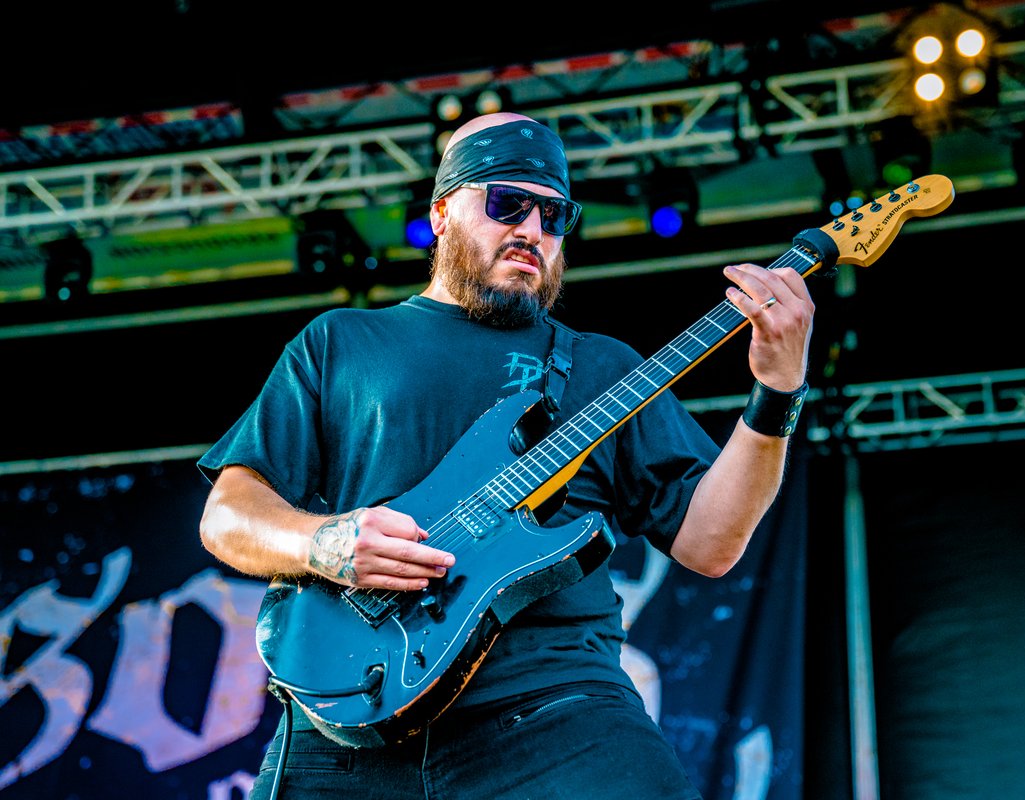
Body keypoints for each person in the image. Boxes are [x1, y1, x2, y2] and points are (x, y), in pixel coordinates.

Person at [197, 111, 814, 800]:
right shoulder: (341, 342)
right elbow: (227, 516)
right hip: (345, 713)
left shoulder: (600, 368)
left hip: (557, 709)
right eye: (506, 204)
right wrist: (329, 542)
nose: (532, 230)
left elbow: (710, 543)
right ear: (439, 213)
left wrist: (776, 391)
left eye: (554, 215)